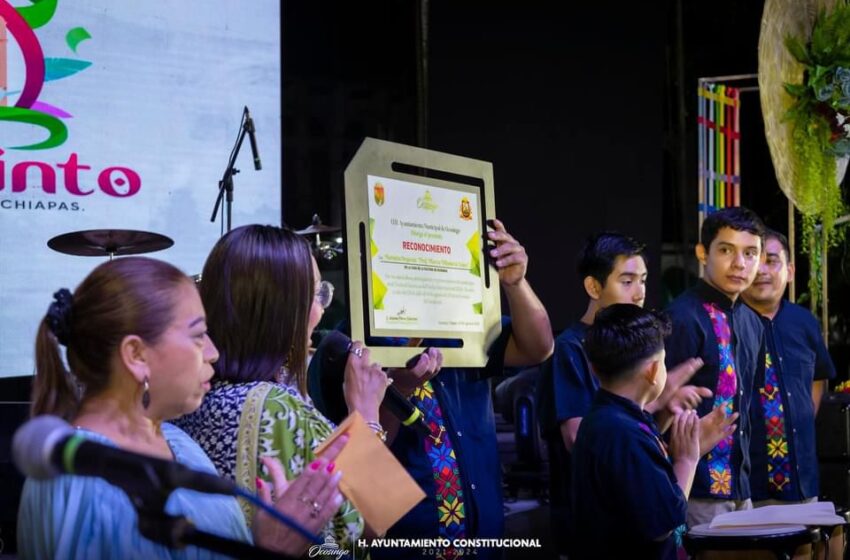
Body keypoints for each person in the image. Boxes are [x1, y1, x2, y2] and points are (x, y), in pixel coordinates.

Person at [18, 256, 347, 559]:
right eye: (198, 335)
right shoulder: (88, 482)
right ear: (136, 355)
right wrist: (272, 549)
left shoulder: (176, 441)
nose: (213, 352)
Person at [313, 218, 554, 560]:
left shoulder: (463, 326)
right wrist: (402, 391)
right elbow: (356, 452)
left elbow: (538, 347)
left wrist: (515, 283)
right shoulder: (353, 342)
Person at [174, 224, 400, 546]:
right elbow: (379, 518)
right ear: (284, 309)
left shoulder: (186, 399)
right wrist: (365, 413)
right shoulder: (278, 408)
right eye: (316, 294)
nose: (321, 310)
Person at [536, 232, 712, 556]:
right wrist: (660, 401)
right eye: (627, 281)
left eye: (643, 280)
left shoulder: (634, 346)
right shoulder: (570, 348)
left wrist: (661, 410)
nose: (640, 292)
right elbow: (581, 438)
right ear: (594, 287)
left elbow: (625, 434)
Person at [572, 304, 700, 560]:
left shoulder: (611, 418)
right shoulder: (622, 433)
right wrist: (687, 460)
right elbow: (661, 525)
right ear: (653, 371)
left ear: (594, 368)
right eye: (663, 362)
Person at [664, 206, 766, 526]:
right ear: (702, 253)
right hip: (694, 487)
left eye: (751, 253)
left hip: (742, 489)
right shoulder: (680, 317)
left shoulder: (753, 322)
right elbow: (654, 405)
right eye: (726, 250)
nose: (740, 264)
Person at [742, 229, 836, 504]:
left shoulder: (804, 322)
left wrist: (802, 414)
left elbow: (819, 376)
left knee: (805, 546)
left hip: (802, 477)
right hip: (748, 485)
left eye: (772, 260)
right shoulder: (728, 323)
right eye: (755, 260)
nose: (762, 270)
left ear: (790, 271)